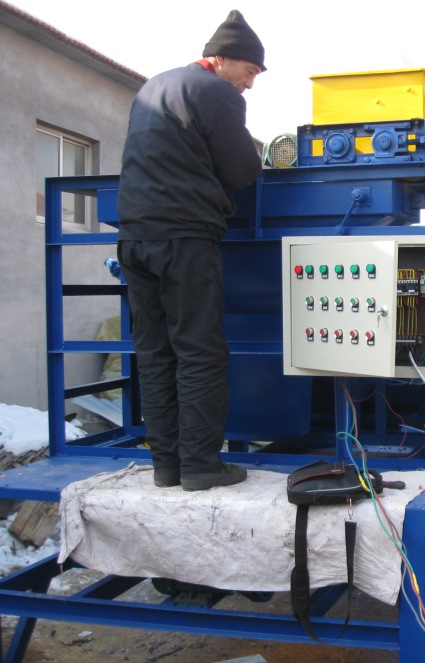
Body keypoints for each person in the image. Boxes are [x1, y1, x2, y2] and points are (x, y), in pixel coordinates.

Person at [116, 10, 264, 491]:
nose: (249, 85)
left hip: (135, 236)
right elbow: (243, 169)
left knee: (155, 353)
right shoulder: (217, 93)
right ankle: (201, 465)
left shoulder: (152, 87)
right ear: (223, 61)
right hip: (183, 236)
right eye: (249, 73)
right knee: (199, 352)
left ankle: (167, 466)